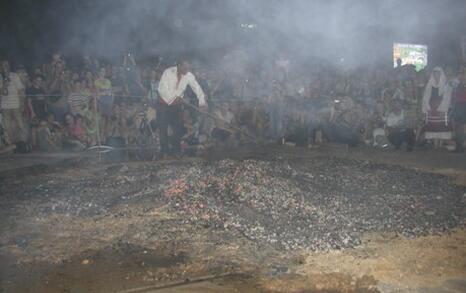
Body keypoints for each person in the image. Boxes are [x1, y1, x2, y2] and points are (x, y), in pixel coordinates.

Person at [157, 58, 206, 156]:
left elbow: (197, 88)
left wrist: (202, 103)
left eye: (188, 67)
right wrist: (175, 98)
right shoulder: (168, 72)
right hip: (163, 105)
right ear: (179, 66)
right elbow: (161, 89)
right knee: (163, 129)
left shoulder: (189, 75)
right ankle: (164, 152)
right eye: (185, 67)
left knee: (177, 129)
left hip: (176, 106)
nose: (187, 69)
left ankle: (177, 151)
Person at [422, 67, 453, 148]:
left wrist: (443, 109)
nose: (436, 75)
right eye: (435, 73)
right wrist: (426, 109)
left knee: (441, 126)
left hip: (441, 107)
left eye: (438, 73)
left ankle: (440, 144)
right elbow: (425, 97)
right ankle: (435, 145)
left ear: (441, 74)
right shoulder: (429, 85)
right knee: (433, 126)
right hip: (431, 108)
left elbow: (447, 98)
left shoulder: (446, 85)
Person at [0, 60, 27, 143]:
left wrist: (22, 104)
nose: (5, 67)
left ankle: (24, 143)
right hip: (5, 106)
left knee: (20, 125)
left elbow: (20, 90)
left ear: (9, 66)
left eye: (7, 65)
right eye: (3, 65)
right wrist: (4, 85)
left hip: (16, 105)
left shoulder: (14, 75)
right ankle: (12, 145)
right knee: (7, 127)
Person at [452, 71, 466, 152]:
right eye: (462, 74)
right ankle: (459, 145)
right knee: (458, 126)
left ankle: (463, 144)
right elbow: (452, 86)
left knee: (464, 127)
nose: (463, 76)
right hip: (458, 106)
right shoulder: (456, 83)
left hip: (464, 105)